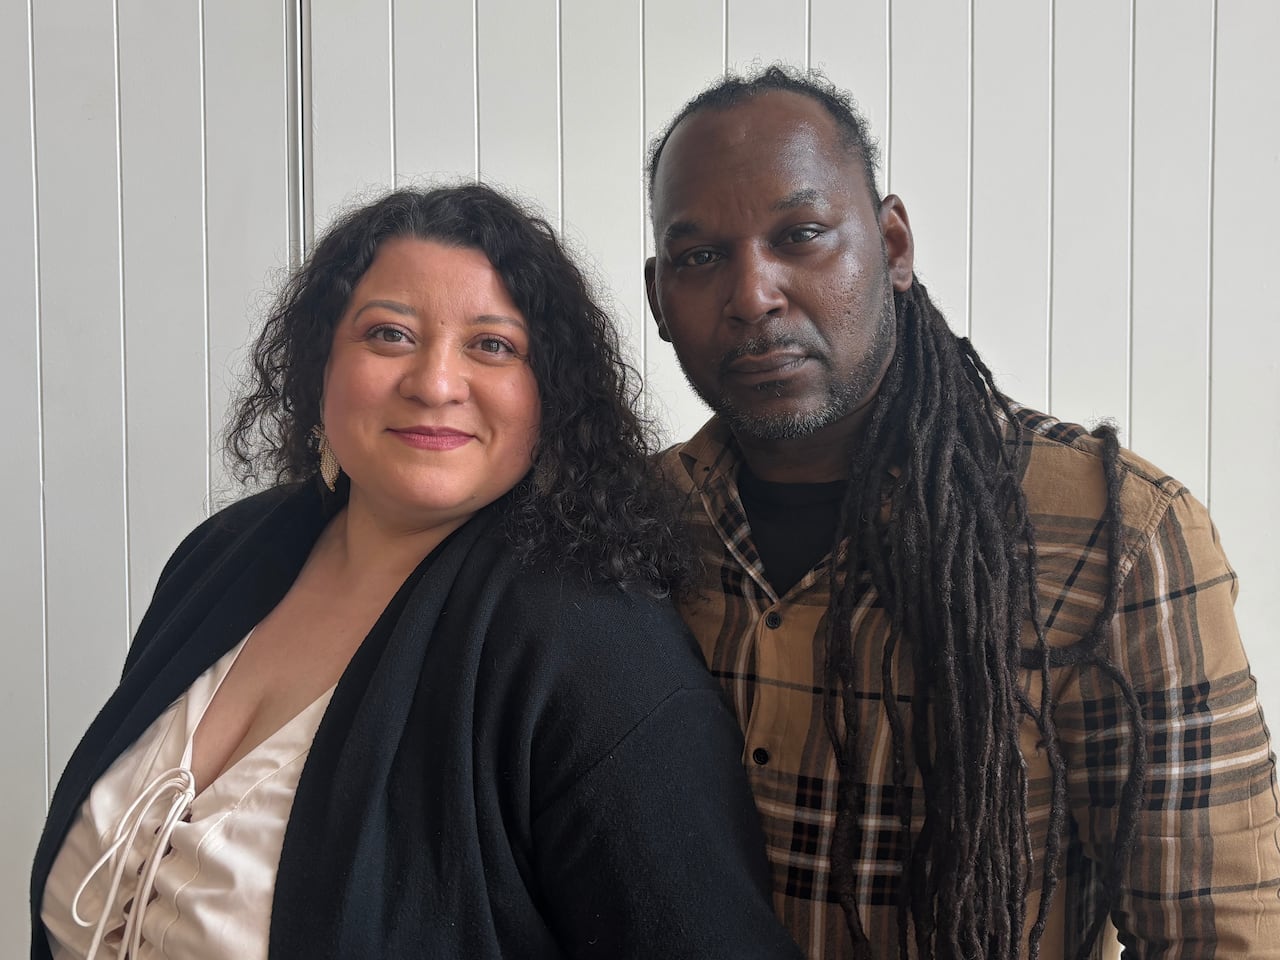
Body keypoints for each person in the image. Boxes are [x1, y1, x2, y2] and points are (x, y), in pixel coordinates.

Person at [30, 184, 805, 960]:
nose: (435, 383)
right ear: (319, 362)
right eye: (389, 335)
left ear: (552, 396)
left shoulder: (591, 646)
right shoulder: (224, 554)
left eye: (492, 345)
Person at [644, 65, 1280, 959]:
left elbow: (1219, 937)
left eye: (803, 234)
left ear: (895, 246)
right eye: (701, 256)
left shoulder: (1116, 538)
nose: (753, 294)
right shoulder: (631, 526)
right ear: (658, 299)